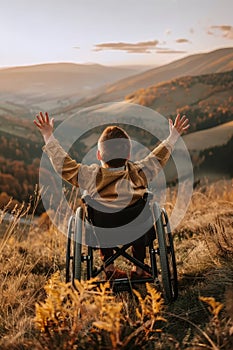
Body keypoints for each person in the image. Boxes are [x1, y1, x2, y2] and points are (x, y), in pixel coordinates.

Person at [34, 112, 189, 280]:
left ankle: (109, 268)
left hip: (102, 233)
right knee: (140, 217)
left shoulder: (90, 176)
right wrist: (173, 136)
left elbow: (63, 165)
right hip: (137, 232)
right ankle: (138, 269)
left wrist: (48, 135)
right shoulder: (138, 173)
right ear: (128, 156)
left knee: (100, 220)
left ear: (99, 155)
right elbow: (158, 158)